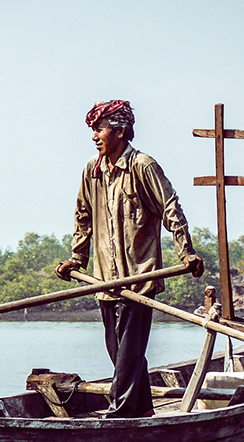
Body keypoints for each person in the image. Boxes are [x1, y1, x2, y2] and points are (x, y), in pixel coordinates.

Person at [55, 100, 204, 418]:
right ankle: (141, 410)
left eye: (100, 129)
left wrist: (185, 251)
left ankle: (120, 411)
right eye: (93, 130)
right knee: (120, 350)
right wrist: (77, 258)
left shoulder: (142, 166)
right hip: (105, 279)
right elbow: (83, 217)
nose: (95, 136)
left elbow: (170, 208)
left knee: (127, 353)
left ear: (120, 131)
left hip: (139, 276)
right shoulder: (91, 172)